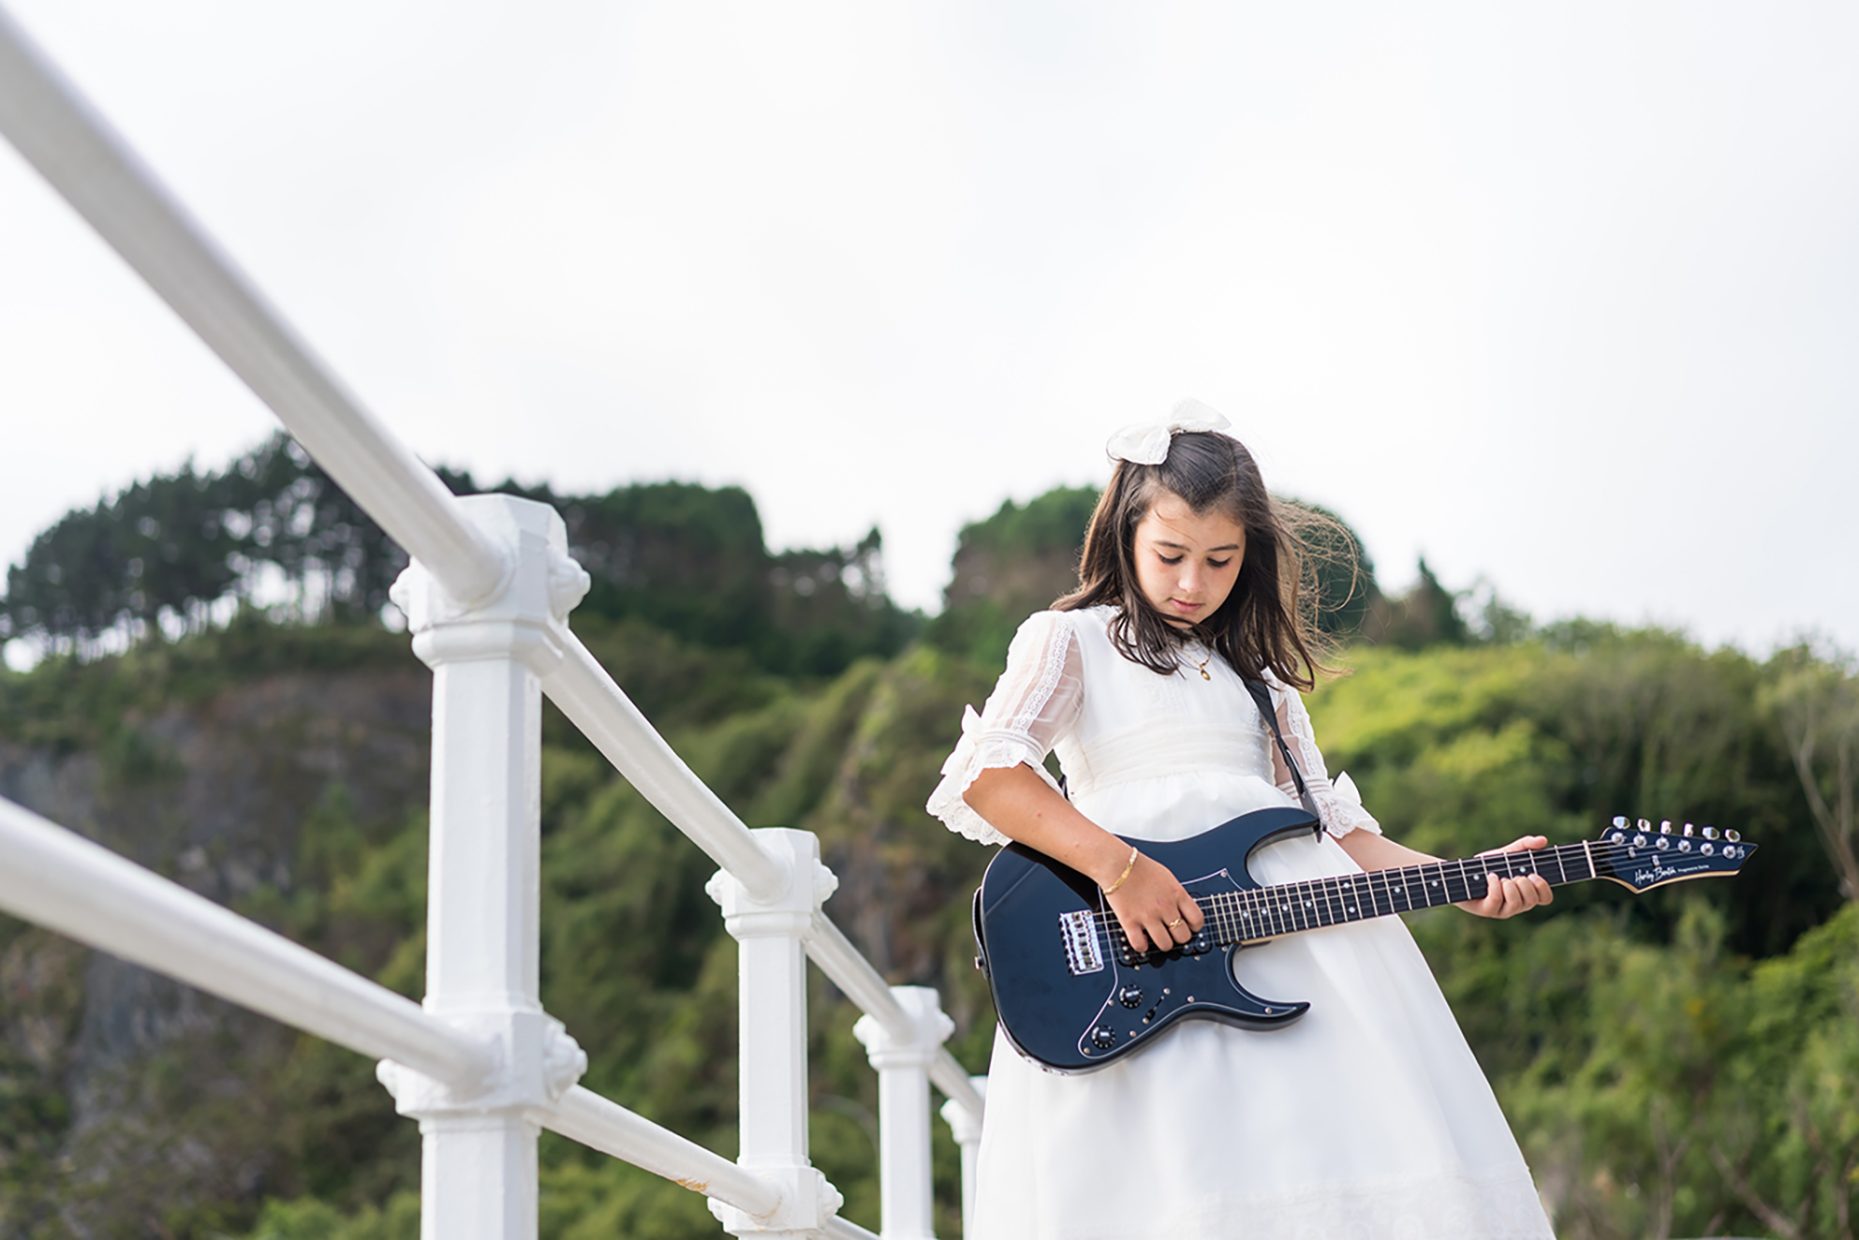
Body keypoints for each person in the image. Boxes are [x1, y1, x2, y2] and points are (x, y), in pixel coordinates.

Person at [926, 401, 1557, 1239]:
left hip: (1301, 961)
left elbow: (1333, 831)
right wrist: (1121, 871)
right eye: (1170, 555)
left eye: (1219, 561)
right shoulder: (1070, 640)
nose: (1192, 583)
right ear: (1124, 534)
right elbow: (989, 776)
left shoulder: (1260, 679)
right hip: (1143, 964)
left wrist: (1463, 880)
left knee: (1335, 1158)